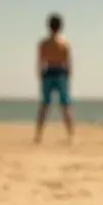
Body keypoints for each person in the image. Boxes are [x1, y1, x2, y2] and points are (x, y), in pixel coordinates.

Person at [36, 13, 74, 143]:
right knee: (65, 105)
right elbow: (68, 63)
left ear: (49, 26)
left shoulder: (44, 44)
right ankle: (70, 136)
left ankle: (38, 135)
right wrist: (68, 75)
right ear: (61, 27)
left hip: (49, 72)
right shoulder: (65, 43)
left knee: (45, 105)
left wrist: (40, 74)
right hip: (61, 73)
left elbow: (40, 61)